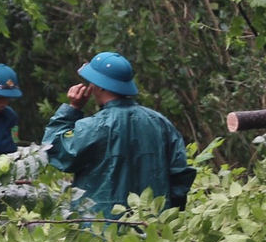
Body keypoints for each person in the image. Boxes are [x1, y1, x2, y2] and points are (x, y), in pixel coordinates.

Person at [43, 51, 195, 219]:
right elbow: (180, 175)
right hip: (152, 231)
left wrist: (72, 109)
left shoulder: (93, 127)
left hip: (100, 233)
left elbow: (54, 149)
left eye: (92, 82)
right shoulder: (160, 123)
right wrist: (168, 217)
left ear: (100, 86)